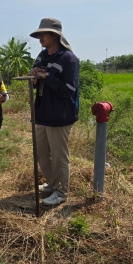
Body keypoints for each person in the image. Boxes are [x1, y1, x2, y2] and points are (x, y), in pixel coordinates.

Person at [28, 18, 80, 206]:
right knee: (42, 153)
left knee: (59, 156)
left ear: (55, 35)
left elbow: (69, 89)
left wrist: (47, 77)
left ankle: (61, 193)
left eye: (43, 34)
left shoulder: (68, 59)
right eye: (39, 34)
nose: (40, 37)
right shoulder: (42, 56)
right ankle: (52, 184)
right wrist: (34, 75)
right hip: (42, 113)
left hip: (60, 115)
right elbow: (35, 76)